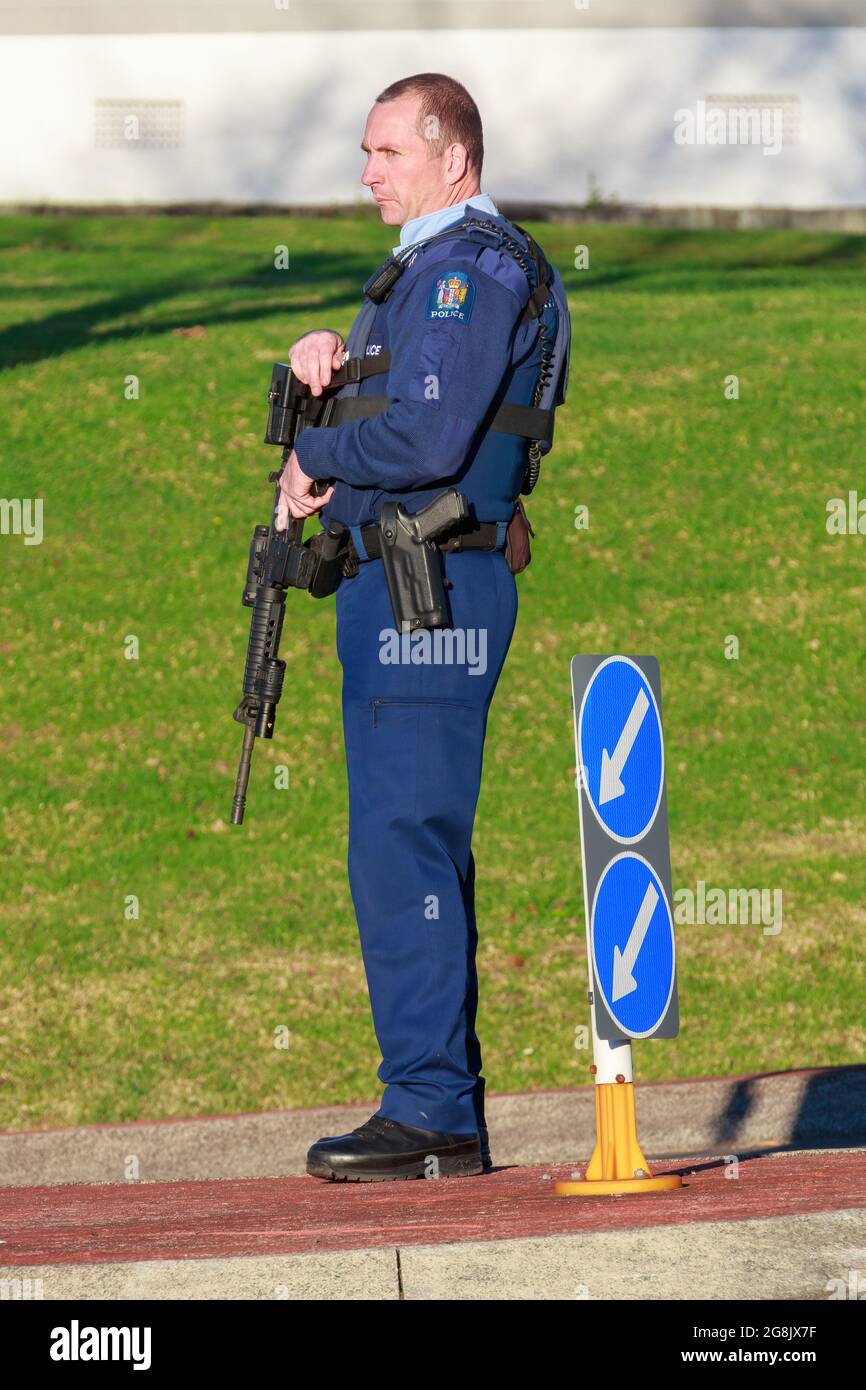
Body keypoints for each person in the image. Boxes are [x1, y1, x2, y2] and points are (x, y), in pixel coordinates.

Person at [275, 72, 569, 1181]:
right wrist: (326, 381)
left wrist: (322, 454)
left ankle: (434, 1112)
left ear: (453, 157)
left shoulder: (469, 268)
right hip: (402, 585)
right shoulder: (420, 272)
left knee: (405, 841)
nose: (365, 173)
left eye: (385, 152)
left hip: (430, 593)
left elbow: (431, 437)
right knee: (401, 842)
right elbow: (398, 412)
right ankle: (434, 1101)